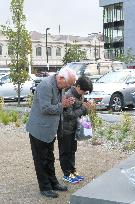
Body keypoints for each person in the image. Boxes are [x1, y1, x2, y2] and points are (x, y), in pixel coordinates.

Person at [26, 66, 77, 198]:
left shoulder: (60, 85)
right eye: (68, 84)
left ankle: (53, 183)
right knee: (41, 159)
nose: (68, 87)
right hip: (39, 129)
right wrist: (63, 105)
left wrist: (67, 103)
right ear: (60, 78)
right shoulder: (46, 85)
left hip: (49, 129)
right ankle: (45, 187)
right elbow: (45, 108)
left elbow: (58, 105)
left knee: (49, 158)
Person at [57, 76, 93, 184]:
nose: (84, 93)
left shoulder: (80, 95)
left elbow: (81, 113)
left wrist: (87, 107)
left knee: (72, 150)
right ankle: (66, 173)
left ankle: (72, 170)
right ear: (77, 86)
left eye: (86, 92)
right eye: (83, 90)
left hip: (74, 129)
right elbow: (69, 115)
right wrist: (83, 108)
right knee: (65, 152)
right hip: (65, 129)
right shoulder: (68, 95)